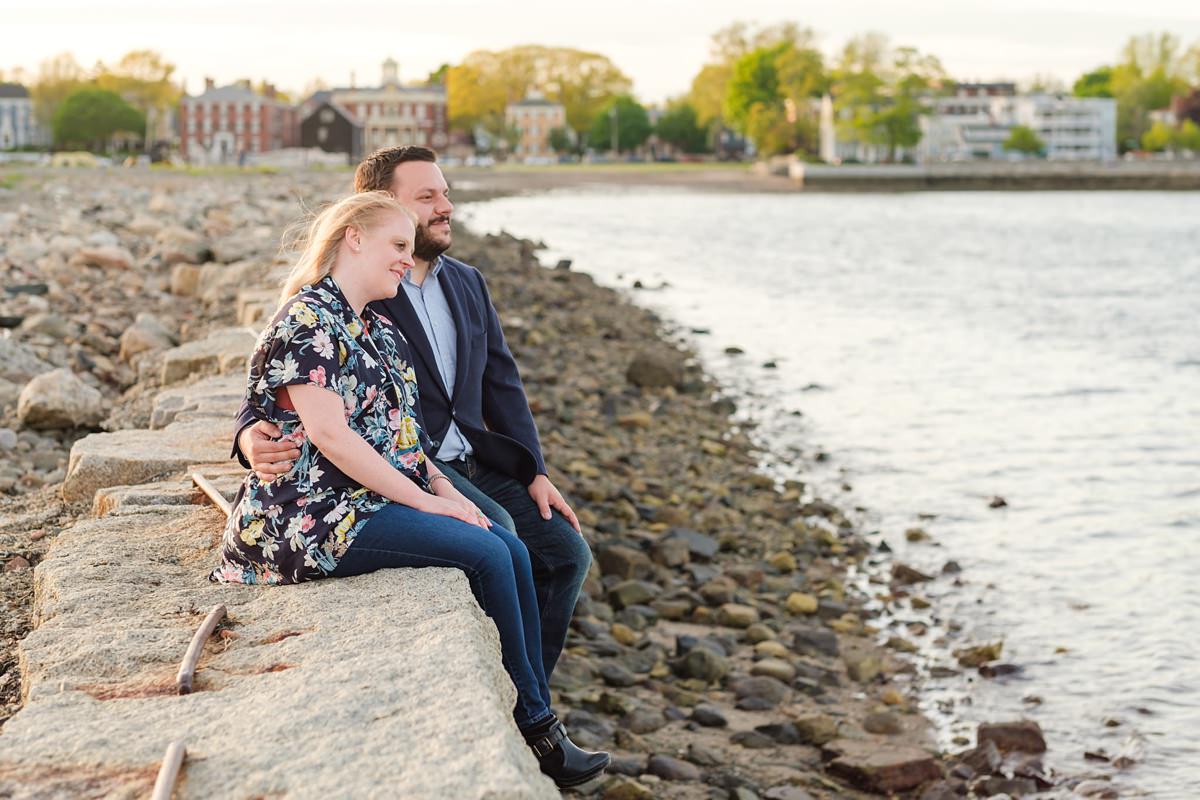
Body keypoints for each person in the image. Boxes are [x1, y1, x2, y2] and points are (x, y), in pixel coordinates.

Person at [211, 191, 608, 788]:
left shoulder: (379, 330)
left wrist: (445, 489)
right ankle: (540, 731)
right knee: (485, 550)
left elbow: (407, 443)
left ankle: (534, 710)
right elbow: (331, 437)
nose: (406, 258)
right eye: (397, 245)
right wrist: (427, 503)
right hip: (310, 517)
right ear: (354, 239)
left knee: (512, 544)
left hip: (369, 500)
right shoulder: (306, 320)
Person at [233, 146, 592, 684]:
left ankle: (527, 689)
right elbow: (281, 373)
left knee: (568, 554)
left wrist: (536, 471)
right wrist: (246, 438)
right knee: (501, 535)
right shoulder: (368, 286)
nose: (445, 206)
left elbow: (503, 382)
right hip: (397, 469)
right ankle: (514, 693)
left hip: (466, 458)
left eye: (445, 193)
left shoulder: (466, 282)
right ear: (376, 209)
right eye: (427, 197)